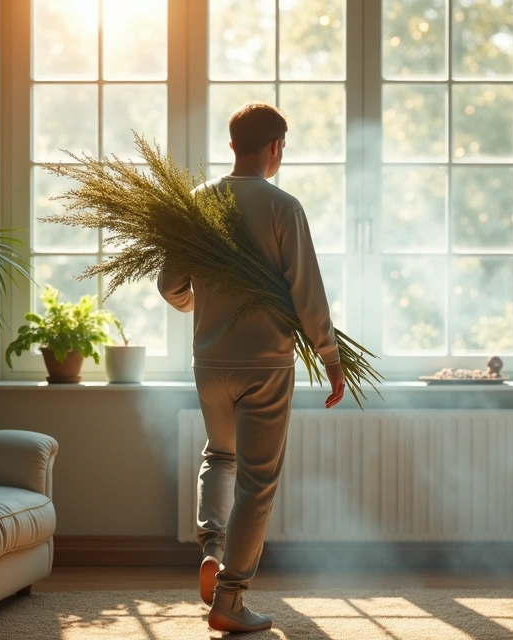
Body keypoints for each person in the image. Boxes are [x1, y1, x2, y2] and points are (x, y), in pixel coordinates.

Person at [158, 102, 345, 633]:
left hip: (210, 360)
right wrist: (331, 359)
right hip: (265, 364)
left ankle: (212, 549)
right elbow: (308, 295)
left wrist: (207, 306)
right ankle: (230, 598)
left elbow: (170, 286)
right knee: (257, 482)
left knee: (220, 456)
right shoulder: (284, 207)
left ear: (233, 142)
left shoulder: (197, 203)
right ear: (275, 147)